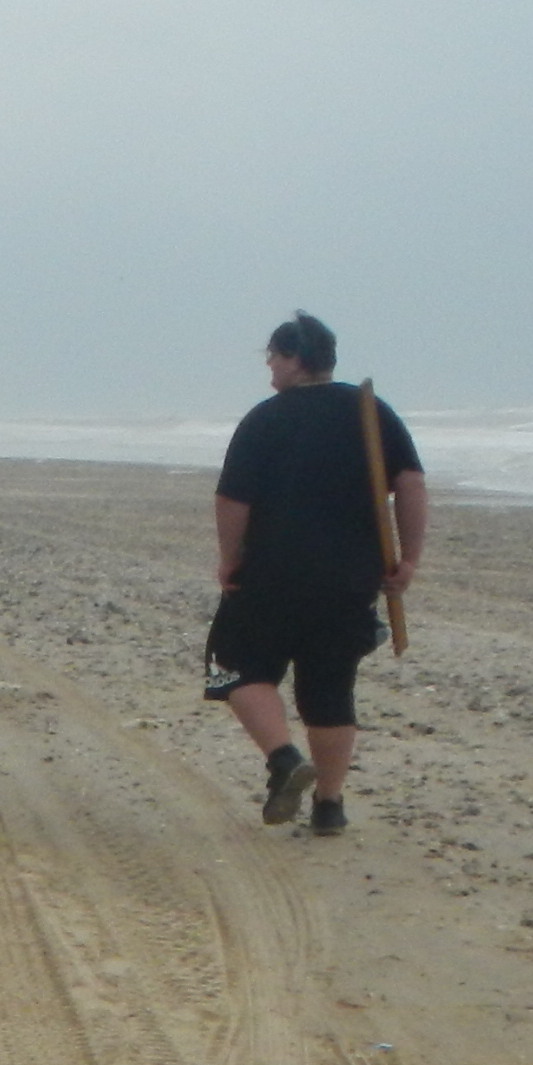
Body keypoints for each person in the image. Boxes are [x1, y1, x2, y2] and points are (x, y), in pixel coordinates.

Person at [207, 311, 426, 836]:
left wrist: (229, 557)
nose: (269, 370)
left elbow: (232, 499)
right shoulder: (371, 414)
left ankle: (284, 759)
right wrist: (409, 560)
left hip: (270, 573)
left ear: (294, 359)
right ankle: (329, 804)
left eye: (274, 359)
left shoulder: (266, 419)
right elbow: (411, 484)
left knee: (235, 665)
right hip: (349, 578)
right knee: (329, 690)